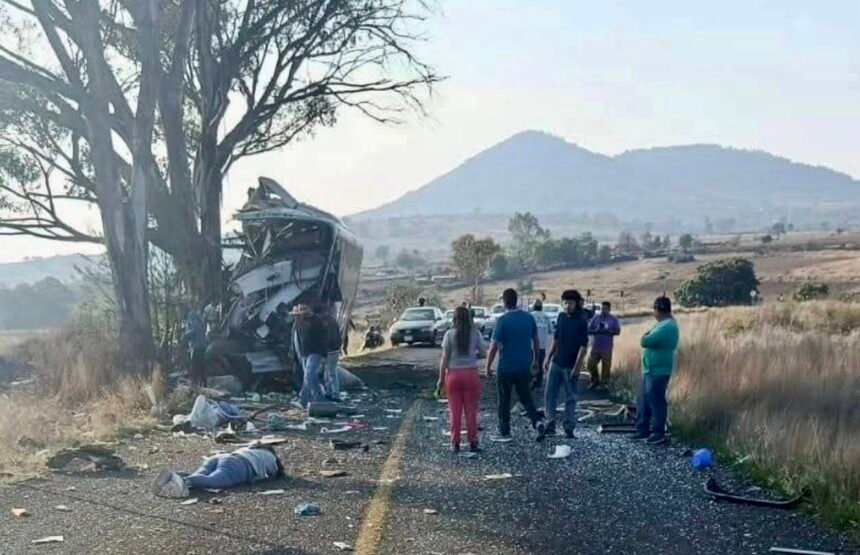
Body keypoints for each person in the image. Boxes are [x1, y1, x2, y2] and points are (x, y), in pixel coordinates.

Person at [485, 288, 547, 442]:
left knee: (504, 398)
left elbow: (494, 346)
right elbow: (536, 340)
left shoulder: (502, 320)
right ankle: (537, 421)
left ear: (504, 302)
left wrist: (488, 366)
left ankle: (504, 430)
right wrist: (536, 360)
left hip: (506, 366)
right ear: (517, 300)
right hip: (524, 366)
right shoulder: (528, 318)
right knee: (525, 396)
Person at [151, 442, 284, 498]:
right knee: (213, 480)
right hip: (239, 466)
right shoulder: (271, 458)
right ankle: (184, 481)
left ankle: (173, 475)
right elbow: (273, 473)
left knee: (201, 475)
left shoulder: (251, 449)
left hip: (222, 457)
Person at [631, 296, 680, 445]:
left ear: (659, 309)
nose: (654, 313)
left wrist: (646, 335)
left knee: (656, 401)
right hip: (650, 369)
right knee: (644, 400)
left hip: (658, 370)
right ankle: (642, 429)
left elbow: (645, 340)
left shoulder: (667, 326)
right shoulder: (662, 325)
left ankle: (658, 432)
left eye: (654, 309)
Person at [437, 306, 486, 453]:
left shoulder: (449, 334)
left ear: (454, 318)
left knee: (454, 411)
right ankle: (473, 442)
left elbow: (444, 359)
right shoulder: (476, 333)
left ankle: (455, 443)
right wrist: (471, 357)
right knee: (471, 411)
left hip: (453, 375)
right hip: (471, 374)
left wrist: (440, 379)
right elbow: (483, 353)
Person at [543, 290, 589, 438]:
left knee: (570, 397)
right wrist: (548, 358)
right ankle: (550, 423)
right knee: (550, 395)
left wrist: (577, 367)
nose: (568, 305)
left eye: (571, 303)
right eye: (565, 302)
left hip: (571, 365)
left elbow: (583, 346)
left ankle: (569, 427)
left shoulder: (581, 320)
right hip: (557, 362)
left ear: (576, 304)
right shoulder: (561, 317)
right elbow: (556, 339)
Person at [293, 304, 327, 406]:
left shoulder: (316, 321)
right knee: (307, 377)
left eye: (303, 310)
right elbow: (298, 340)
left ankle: (319, 399)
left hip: (316, 351)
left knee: (310, 374)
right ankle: (304, 399)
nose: (301, 313)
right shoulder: (299, 323)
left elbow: (321, 337)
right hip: (305, 353)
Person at [587, 301, 622, 391]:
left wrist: (609, 331)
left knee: (606, 368)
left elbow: (618, 331)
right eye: (602, 309)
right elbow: (589, 330)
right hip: (596, 346)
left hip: (607, 347)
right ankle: (595, 380)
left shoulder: (613, 319)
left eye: (605, 309)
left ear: (609, 309)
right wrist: (596, 330)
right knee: (590, 364)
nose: (603, 310)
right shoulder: (596, 318)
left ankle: (604, 385)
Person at [321, 304, 343, 401]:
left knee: (330, 372)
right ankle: (330, 392)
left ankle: (333, 394)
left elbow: (326, 338)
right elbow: (338, 336)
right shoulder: (333, 321)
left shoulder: (324, 323)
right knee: (330, 372)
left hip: (329, 350)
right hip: (334, 350)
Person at [183, 307, 207, 386]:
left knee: (195, 365)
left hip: (195, 346)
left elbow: (193, 331)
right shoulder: (198, 318)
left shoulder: (191, 319)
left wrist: (185, 335)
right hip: (203, 345)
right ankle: (204, 382)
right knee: (202, 365)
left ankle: (195, 383)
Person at [530, 299, 551, 391]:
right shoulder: (546, 316)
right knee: (540, 364)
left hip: (531, 346)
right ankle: (538, 384)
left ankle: (531, 382)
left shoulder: (530, 316)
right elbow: (550, 330)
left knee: (530, 364)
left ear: (533, 307)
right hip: (542, 346)